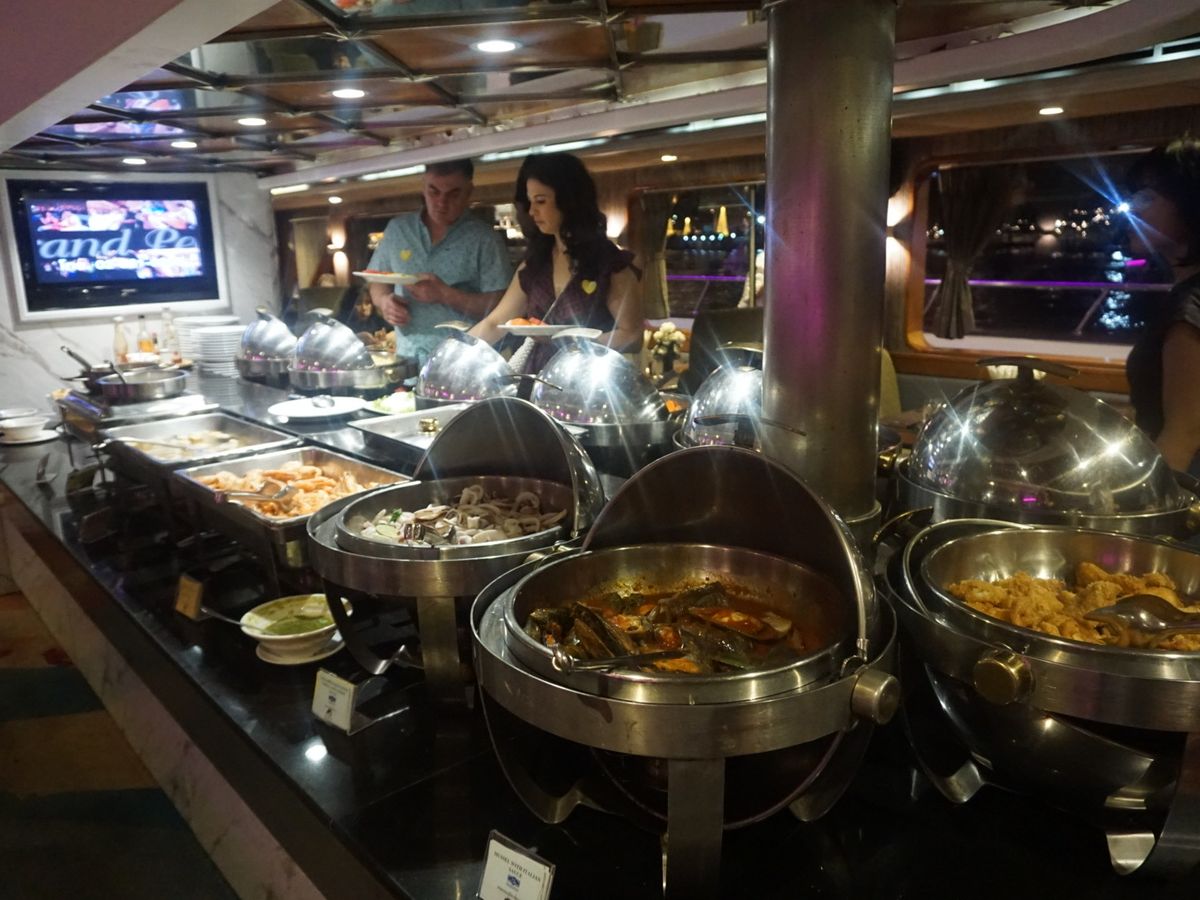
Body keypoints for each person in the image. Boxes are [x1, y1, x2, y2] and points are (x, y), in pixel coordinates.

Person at [469, 153, 644, 373]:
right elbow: (495, 323)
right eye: (530, 202)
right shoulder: (536, 264)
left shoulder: (609, 264)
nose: (532, 211)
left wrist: (570, 343)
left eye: (541, 201)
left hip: (587, 379)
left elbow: (632, 335)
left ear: (568, 200)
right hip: (537, 378)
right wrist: (457, 351)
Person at [367, 159, 512, 364]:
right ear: (423, 186)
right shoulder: (398, 230)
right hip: (408, 359)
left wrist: (446, 295)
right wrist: (384, 302)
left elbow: (501, 307)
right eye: (433, 192)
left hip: (463, 363)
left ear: (469, 192)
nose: (441, 203)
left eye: (453, 194)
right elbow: (376, 281)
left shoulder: (485, 239)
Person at [1124, 138, 1200, 472]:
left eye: (1145, 197)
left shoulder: (1189, 306)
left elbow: (1184, 436)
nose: (1132, 209)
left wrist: (1141, 501)